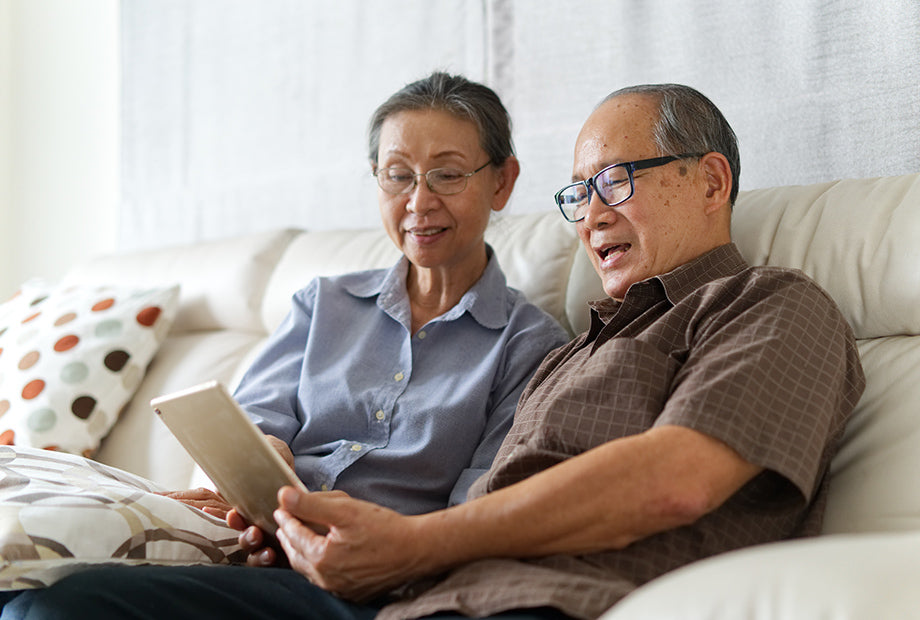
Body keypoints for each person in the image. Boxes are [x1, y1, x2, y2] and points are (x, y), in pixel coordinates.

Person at [3, 83, 865, 620]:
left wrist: (409, 546)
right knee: (59, 607)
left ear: (710, 181)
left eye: (616, 182)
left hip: (520, 601)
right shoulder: (581, 348)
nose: (593, 213)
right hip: (406, 597)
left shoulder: (773, 307)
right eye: (582, 193)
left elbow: (675, 480)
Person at [0, 73, 567, 617]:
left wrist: (376, 533)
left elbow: (480, 509)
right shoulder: (324, 302)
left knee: (56, 606)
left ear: (502, 181)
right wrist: (258, 462)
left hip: (375, 583)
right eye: (397, 175)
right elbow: (249, 420)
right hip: (257, 549)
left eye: (446, 174)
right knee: (24, 595)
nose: (419, 201)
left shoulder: (530, 343)